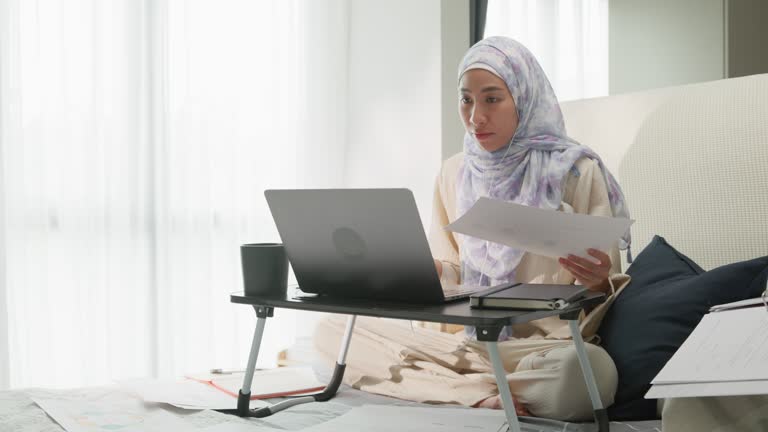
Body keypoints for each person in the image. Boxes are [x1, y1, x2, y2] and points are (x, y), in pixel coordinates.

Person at [314, 36, 632, 421]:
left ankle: (446, 384)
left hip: (540, 348)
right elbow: (453, 273)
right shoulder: (454, 172)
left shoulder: (576, 172)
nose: (475, 116)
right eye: (467, 99)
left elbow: (606, 286)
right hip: (462, 343)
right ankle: (478, 392)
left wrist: (598, 280)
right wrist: (428, 271)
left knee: (588, 374)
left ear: (524, 98)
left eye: (492, 99)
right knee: (331, 331)